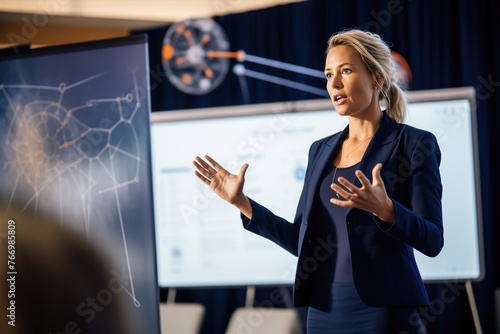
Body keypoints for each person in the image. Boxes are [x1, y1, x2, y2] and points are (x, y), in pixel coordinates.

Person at [193, 28, 443, 334]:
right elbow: (300, 239)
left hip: (384, 311)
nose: (334, 84)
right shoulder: (320, 150)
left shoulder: (415, 144)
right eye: (328, 75)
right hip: (323, 311)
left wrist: (387, 210)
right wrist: (243, 204)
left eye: (346, 71)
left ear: (377, 78)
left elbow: (433, 240)